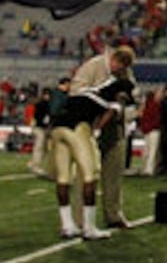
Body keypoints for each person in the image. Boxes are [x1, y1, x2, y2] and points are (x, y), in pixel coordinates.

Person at [47, 72, 134, 240]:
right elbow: (108, 115)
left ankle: (66, 225)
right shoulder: (113, 101)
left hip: (57, 128)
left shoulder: (86, 91)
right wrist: (96, 130)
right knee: (90, 175)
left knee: (63, 178)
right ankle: (89, 227)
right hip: (77, 128)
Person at [70, 45, 137, 229]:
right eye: (120, 67)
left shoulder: (125, 73)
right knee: (85, 175)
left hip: (115, 128)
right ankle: (79, 219)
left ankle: (114, 214)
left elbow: (131, 96)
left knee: (114, 174)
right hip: (90, 127)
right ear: (113, 59)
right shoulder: (93, 66)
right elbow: (76, 92)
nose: (122, 72)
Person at [137, 86, 164, 177]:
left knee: (146, 150)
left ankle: (144, 168)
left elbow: (141, 115)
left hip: (146, 129)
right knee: (152, 150)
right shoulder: (156, 105)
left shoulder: (146, 104)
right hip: (154, 129)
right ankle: (149, 169)